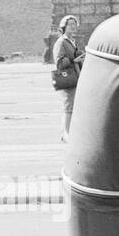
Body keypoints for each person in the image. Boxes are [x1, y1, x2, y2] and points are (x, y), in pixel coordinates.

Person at [53, 14, 82, 142]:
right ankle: (65, 134)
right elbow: (59, 62)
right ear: (63, 27)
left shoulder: (72, 41)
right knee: (69, 106)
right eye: (70, 24)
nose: (73, 26)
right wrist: (73, 59)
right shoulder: (61, 42)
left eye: (74, 24)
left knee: (74, 106)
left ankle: (69, 132)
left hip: (76, 76)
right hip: (68, 77)